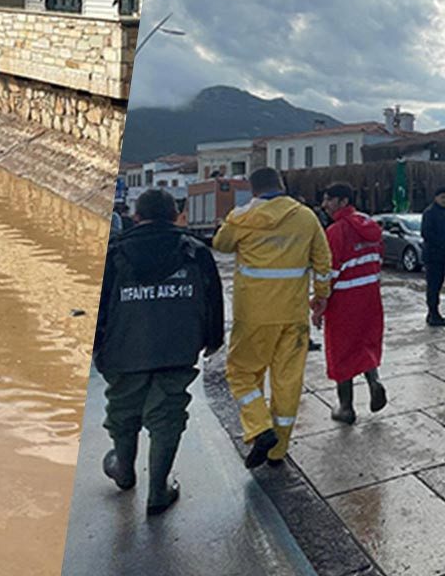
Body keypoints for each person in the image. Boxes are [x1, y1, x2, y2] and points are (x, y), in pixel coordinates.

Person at [94, 189, 224, 516]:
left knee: (123, 409)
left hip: (124, 349)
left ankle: (124, 470)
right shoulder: (195, 251)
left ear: (136, 217)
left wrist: (96, 345)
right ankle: (157, 492)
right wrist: (213, 338)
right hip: (178, 347)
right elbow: (213, 298)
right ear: (175, 214)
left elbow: (98, 306)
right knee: (167, 415)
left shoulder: (114, 254)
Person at [212, 167, 332, 469]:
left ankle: (258, 427)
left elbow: (221, 245)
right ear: (282, 185)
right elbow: (323, 260)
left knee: (241, 373)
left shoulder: (242, 217)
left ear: (254, 190)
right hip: (293, 316)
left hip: (253, 314)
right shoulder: (306, 217)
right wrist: (321, 296)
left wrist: (229, 221)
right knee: (287, 381)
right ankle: (278, 450)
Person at [314, 183, 387, 424]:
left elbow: (329, 273)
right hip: (370, 296)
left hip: (343, 301)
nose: (325, 205)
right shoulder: (371, 226)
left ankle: (345, 408)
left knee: (341, 351)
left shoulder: (336, 231)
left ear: (343, 201)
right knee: (366, 343)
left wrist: (319, 303)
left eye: (329, 200)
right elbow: (379, 259)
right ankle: (374, 382)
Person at [423, 187, 445, 326]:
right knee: (434, 286)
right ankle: (433, 313)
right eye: (443, 197)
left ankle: (433, 313)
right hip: (434, 256)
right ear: (436, 198)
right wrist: (442, 243)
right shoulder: (430, 213)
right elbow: (426, 234)